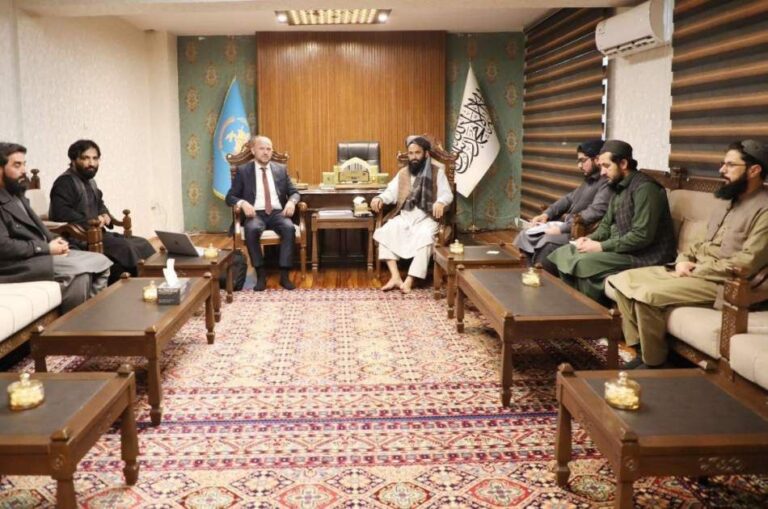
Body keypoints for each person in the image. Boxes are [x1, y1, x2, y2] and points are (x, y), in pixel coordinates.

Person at [608, 140, 768, 368]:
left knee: (646, 295)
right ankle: (640, 350)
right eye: (723, 164)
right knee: (621, 280)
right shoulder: (728, 201)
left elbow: (746, 262)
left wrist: (697, 270)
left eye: (730, 165)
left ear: (754, 170)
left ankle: (654, 363)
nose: (722, 170)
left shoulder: (764, 210)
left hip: (724, 282)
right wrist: (683, 261)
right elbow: (701, 244)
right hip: (694, 269)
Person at [547, 139, 676, 305]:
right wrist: (589, 239)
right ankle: (573, 306)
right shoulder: (618, 186)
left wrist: (601, 246)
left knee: (582, 262)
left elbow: (641, 236)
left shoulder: (646, 189)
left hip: (645, 255)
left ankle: (590, 312)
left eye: (606, 166)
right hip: (622, 248)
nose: (602, 172)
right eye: (601, 166)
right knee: (565, 252)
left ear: (623, 163)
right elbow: (606, 225)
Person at [0, 142, 112, 313]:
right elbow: (3, 246)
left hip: (37, 254)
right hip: (15, 265)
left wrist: (56, 240)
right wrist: (46, 248)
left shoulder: (17, 194)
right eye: (17, 165)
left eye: (24, 164)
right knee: (80, 272)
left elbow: (39, 226)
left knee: (102, 262)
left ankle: (91, 316)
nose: (24, 170)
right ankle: (78, 322)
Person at [49, 139, 155, 283]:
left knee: (142, 243)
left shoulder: (90, 181)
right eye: (85, 158)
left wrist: (105, 214)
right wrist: (91, 222)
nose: (91, 163)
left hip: (98, 233)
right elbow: (60, 213)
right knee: (127, 247)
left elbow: (100, 203)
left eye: (95, 158)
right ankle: (142, 283)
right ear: (73, 160)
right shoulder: (64, 182)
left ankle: (156, 278)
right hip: (80, 238)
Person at [514, 139, 613, 274]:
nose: (579, 166)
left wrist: (562, 229)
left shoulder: (606, 183)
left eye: (583, 160)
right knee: (526, 234)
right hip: (568, 226)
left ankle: (540, 277)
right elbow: (568, 198)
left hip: (580, 232)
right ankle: (528, 272)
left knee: (547, 241)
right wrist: (546, 214)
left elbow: (595, 212)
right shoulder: (589, 180)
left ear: (596, 159)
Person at [371, 136, 454, 293]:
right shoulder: (403, 173)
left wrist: (440, 202)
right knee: (386, 231)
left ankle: (409, 280)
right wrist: (380, 198)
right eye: (410, 153)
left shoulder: (437, 173)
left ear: (426, 154)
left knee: (426, 238)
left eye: (417, 153)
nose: (414, 157)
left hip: (427, 218)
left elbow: (447, 194)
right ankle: (395, 277)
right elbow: (391, 192)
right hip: (405, 216)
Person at [225, 135, 300, 291]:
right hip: (255, 213)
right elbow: (230, 197)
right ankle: (260, 274)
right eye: (262, 149)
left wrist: (291, 202)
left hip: (277, 213)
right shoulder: (243, 171)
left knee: (289, 228)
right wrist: (243, 203)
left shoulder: (280, 169)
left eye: (269, 149)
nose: (266, 152)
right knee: (251, 229)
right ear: (253, 151)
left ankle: (284, 275)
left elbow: (294, 192)